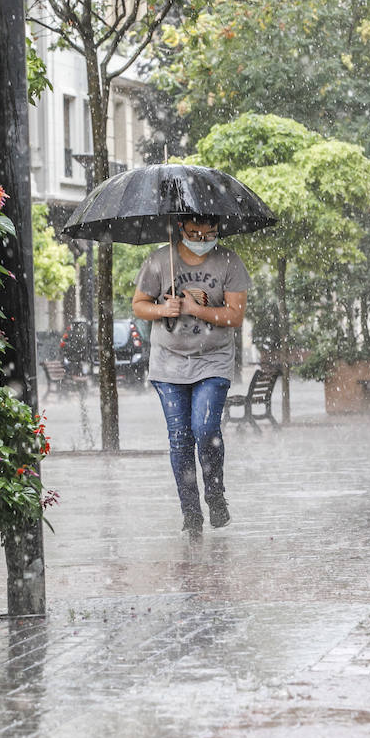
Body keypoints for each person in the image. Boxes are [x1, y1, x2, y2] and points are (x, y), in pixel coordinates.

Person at [132, 215, 251, 537]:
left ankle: (215, 494)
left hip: (213, 360)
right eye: (195, 233)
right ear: (180, 229)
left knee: (205, 427)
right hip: (168, 363)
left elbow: (235, 316)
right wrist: (163, 310)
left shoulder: (228, 261)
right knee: (180, 439)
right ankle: (191, 512)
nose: (202, 238)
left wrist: (193, 308)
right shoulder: (160, 260)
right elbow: (139, 305)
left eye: (210, 233)